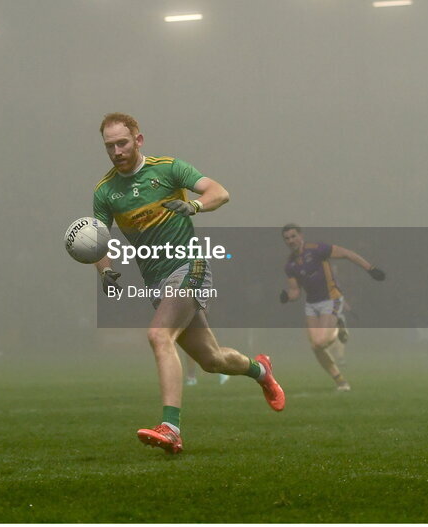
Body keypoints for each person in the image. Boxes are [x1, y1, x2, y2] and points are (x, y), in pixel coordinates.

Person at [92, 112, 284, 455]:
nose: (117, 151)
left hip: (189, 266)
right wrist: (105, 271)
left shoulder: (168, 169)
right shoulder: (106, 192)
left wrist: (194, 205)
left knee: (158, 335)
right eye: (110, 146)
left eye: (123, 142)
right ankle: (261, 369)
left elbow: (220, 192)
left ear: (139, 140)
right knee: (212, 360)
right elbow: (97, 241)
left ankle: (171, 427)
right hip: (157, 282)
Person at [279, 224, 385, 391]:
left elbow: (347, 254)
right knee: (316, 346)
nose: (290, 240)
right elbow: (295, 292)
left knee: (322, 341)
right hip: (311, 305)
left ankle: (338, 323)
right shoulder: (290, 265)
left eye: (293, 236)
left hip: (331, 298)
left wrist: (370, 268)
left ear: (301, 235)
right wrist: (286, 297)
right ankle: (340, 381)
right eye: (287, 238)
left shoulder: (317, 249)